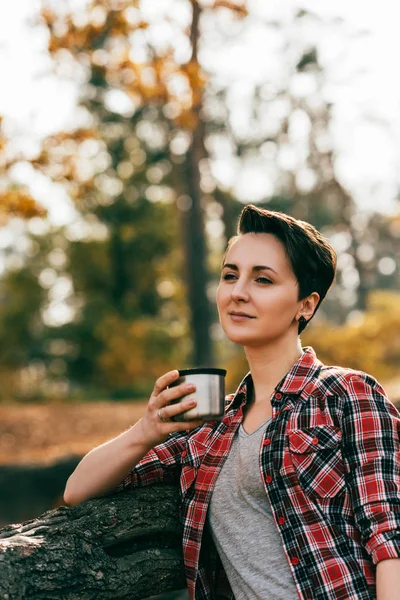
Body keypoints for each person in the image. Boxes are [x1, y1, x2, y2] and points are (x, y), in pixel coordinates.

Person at [64, 204, 400, 600]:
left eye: (263, 280)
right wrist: (147, 431)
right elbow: (76, 490)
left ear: (305, 305)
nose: (238, 292)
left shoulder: (347, 394)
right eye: (230, 275)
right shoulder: (209, 427)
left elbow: (390, 540)